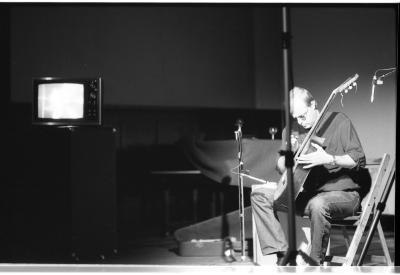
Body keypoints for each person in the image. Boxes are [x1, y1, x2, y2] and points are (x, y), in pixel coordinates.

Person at [251, 86, 369, 265]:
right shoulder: (290, 130)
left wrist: (328, 158)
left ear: (313, 104)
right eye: (295, 117)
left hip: (344, 195)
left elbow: (357, 159)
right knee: (260, 196)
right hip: (307, 195)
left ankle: (315, 264)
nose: (300, 121)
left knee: (319, 204)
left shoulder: (339, 121)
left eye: (303, 115)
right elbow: (282, 167)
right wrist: (288, 157)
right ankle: (282, 253)